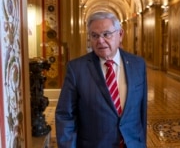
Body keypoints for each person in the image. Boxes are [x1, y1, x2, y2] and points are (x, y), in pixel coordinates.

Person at [55, 11, 148, 148]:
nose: (100, 40)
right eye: (94, 35)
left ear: (120, 34)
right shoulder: (77, 69)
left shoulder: (138, 65)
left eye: (106, 34)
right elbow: (65, 115)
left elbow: (141, 112)